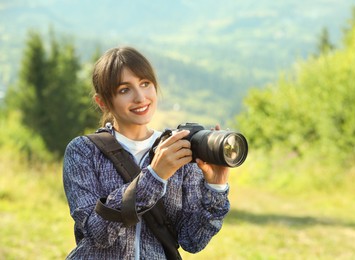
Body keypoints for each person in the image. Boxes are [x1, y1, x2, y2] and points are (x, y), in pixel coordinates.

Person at [63, 46, 230, 259]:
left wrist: (216, 187)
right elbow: (98, 234)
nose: (140, 97)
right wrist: (155, 176)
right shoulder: (84, 152)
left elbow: (192, 240)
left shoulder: (179, 148)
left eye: (145, 84)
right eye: (124, 90)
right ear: (102, 101)